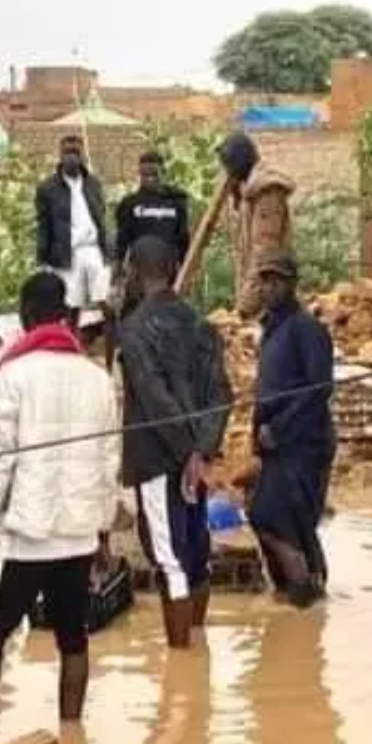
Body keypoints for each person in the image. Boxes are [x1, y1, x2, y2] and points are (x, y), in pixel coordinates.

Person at [0, 271, 120, 743]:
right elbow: (108, 461)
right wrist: (103, 532)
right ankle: (72, 742)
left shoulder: (11, 375)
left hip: (22, 539)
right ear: (66, 317)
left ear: (26, 317)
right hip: (78, 536)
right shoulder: (98, 379)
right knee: (74, 640)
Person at [119, 236, 233, 648]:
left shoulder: (133, 331)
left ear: (135, 271)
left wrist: (188, 453)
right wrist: (202, 451)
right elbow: (222, 393)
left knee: (169, 559)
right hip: (195, 460)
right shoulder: (200, 325)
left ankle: (182, 668)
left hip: (157, 459)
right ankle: (197, 652)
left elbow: (155, 398)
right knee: (196, 547)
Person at [248, 248, 335, 609]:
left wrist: (279, 429)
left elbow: (319, 388)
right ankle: (297, 596)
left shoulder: (307, 329)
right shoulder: (271, 329)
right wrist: (258, 430)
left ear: (291, 284)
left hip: (303, 441)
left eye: (275, 280)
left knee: (269, 515)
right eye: (263, 280)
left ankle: (302, 592)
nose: (268, 287)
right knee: (291, 521)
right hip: (276, 442)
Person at [217, 131, 296, 320]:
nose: (228, 174)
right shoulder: (250, 192)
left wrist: (245, 305)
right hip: (260, 298)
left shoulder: (267, 194)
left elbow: (264, 254)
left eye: (228, 167)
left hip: (269, 299)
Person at [36, 134, 111, 325]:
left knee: (108, 305)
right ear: (60, 156)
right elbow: (44, 225)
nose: (71, 157)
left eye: (75, 152)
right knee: (71, 307)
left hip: (95, 250)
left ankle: (112, 352)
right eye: (67, 153)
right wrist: (43, 259)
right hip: (68, 253)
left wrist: (110, 252)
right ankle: (71, 347)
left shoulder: (93, 183)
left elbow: (102, 217)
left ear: (83, 155)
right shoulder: (48, 188)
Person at [114, 151, 191, 275]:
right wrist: (118, 262)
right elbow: (123, 237)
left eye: (154, 174)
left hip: (168, 267)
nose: (150, 179)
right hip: (140, 268)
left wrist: (184, 264)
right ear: (140, 175)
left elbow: (183, 236)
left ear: (163, 172)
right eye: (145, 175)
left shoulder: (176, 200)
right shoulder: (130, 204)